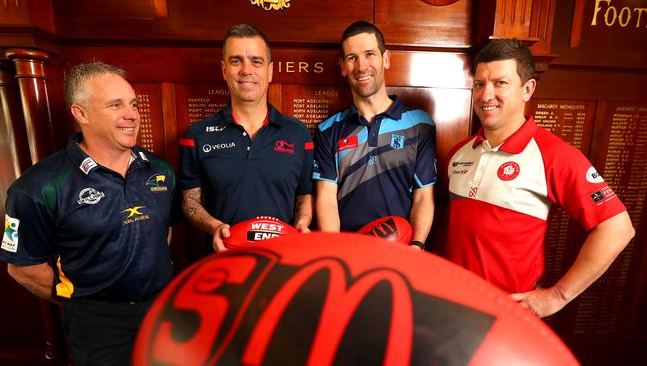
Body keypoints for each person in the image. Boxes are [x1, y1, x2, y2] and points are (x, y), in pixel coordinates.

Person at [0, 62, 177, 365]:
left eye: (132, 104)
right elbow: (23, 268)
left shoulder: (160, 170)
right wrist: (83, 302)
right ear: (81, 113)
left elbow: (165, 231)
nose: (132, 114)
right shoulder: (36, 187)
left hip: (164, 312)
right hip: (98, 326)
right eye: (115, 105)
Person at [445, 39, 635, 318]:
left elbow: (618, 228)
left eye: (500, 83)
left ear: (527, 89)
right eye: (479, 84)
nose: (486, 95)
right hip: (451, 307)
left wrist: (557, 296)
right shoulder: (458, 153)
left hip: (507, 317)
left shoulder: (554, 155)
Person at [179, 24, 314, 252]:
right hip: (224, 262)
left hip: (283, 260)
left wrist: (302, 224)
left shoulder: (299, 134)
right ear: (224, 70)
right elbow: (189, 201)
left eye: (256, 61)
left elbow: (305, 195)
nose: (246, 70)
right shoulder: (196, 136)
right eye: (236, 61)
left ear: (270, 71)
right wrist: (214, 227)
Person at [313, 21, 436, 249]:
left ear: (385, 59)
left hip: (402, 253)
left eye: (370, 54)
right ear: (342, 66)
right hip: (349, 255)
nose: (361, 66)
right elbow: (326, 200)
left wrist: (416, 246)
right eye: (352, 58)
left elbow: (423, 195)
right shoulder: (327, 130)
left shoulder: (420, 124)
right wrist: (335, 252)